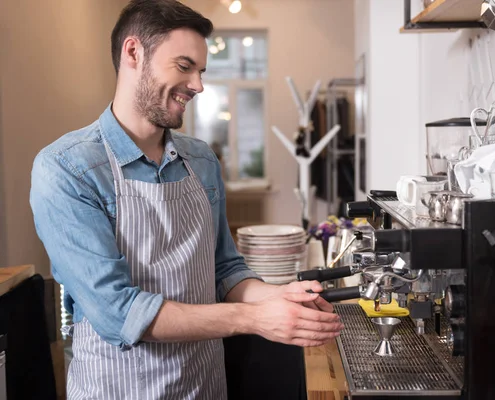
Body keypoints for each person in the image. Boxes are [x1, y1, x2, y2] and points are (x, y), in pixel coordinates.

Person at [29, 1, 344, 399]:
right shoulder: (67, 168)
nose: (198, 85)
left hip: (205, 386)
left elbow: (225, 270)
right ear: (133, 53)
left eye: (201, 71)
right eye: (184, 66)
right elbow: (118, 313)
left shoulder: (201, 159)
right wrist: (255, 318)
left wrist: (280, 297)